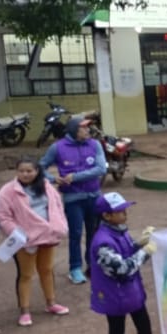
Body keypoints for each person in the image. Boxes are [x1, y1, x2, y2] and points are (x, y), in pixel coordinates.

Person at [0, 157, 71, 329]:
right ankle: (24, 310)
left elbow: (57, 206)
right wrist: (18, 233)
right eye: (22, 171)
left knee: (46, 270)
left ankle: (51, 302)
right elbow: (3, 216)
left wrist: (59, 225)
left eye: (29, 171)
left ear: (37, 171)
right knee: (26, 274)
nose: (25, 174)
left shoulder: (46, 186)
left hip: (47, 236)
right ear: (16, 172)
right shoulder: (8, 191)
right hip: (25, 240)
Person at [89, 192, 157, 334]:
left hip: (132, 292)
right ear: (106, 215)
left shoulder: (120, 230)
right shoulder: (102, 243)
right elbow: (123, 269)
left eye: (125, 210)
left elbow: (126, 252)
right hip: (115, 296)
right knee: (117, 331)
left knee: (144, 326)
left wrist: (139, 244)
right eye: (120, 211)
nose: (125, 214)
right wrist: (145, 251)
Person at [39, 116, 107, 285]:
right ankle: (75, 268)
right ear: (73, 130)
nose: (88, 131)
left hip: (94, 195)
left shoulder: (95, 144)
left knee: (94, 232)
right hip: (73, 199)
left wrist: (74, 177)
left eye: (88, 127)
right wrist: (53, 179)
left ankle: (92, 266)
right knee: (75, 234)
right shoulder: (58, 148)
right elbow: (40, 167)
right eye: (83, 128)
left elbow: (100, 169)